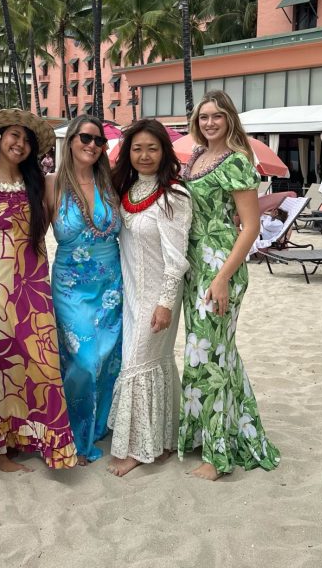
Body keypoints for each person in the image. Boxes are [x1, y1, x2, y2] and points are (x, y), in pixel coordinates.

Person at [179, 90, 280, 481]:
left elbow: (251, 227)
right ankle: (228, 433)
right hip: (194, 266)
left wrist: (222, 277)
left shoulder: (237, 161)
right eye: (204, 117)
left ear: (230, 120)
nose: (209, 123)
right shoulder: (195, 157)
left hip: (220, 266)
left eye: (217, 116)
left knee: (211, 356)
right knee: (215, 352)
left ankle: (217, 456)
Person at [0, 109, 77, 472]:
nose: (20, 144)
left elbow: (45, 226)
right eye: (14, 135)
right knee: (0, 362)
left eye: (27, 140)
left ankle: (31, 437)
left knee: (39, 362)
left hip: (35, 286)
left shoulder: (40, 183)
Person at [107, 119, 192, 477]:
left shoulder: (175, 196)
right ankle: (160, 439)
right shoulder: (125, 189)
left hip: (157, 297)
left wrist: (166, 303)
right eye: (137, 148)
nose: (144, 155)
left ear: (164, 152)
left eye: (152, 148)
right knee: (147, 363)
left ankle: (140, 449)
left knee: (139, 364)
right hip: (129, 293)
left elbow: (177, 258)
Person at [49, 115, 122, 464]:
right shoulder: (51, 185)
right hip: (70, 288)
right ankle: (76, 435)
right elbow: (25, 230)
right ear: (71, 140)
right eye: (86, 138)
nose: (92, 145)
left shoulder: (112, 183)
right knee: (83, 360)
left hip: (111, 283)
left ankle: (98, 427)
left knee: (109, 359)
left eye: (99, 141)